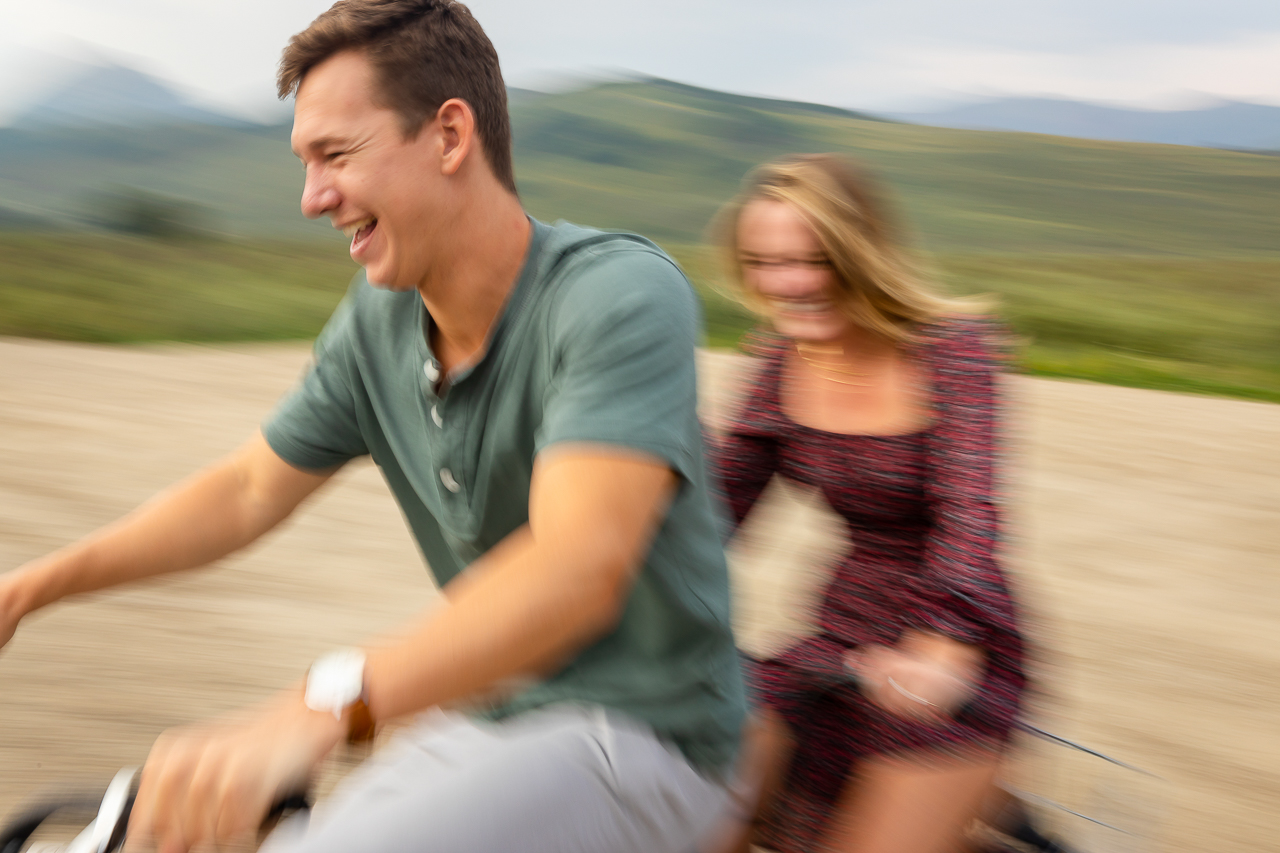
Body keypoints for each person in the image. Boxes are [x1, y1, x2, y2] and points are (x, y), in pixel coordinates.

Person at [0, 2, 745, 852]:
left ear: (449, 136)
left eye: (336, 154)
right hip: (494, 713)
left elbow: (573, 571)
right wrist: (30, 586)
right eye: (304, 162)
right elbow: (246, 489)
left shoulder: (614, 297)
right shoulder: (379, 322)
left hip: (648, 738)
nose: (313, 198)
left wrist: (314, 710)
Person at [708, 154, 1027, 853]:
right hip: (838, 628)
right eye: (762, 261)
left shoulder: (954, 351)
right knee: (699, 810)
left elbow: (970, 515)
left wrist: (942, 645)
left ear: (860, 253)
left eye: (811, 258)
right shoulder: (777, 362)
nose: (785, 283)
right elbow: (714, 514)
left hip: (959, 634)